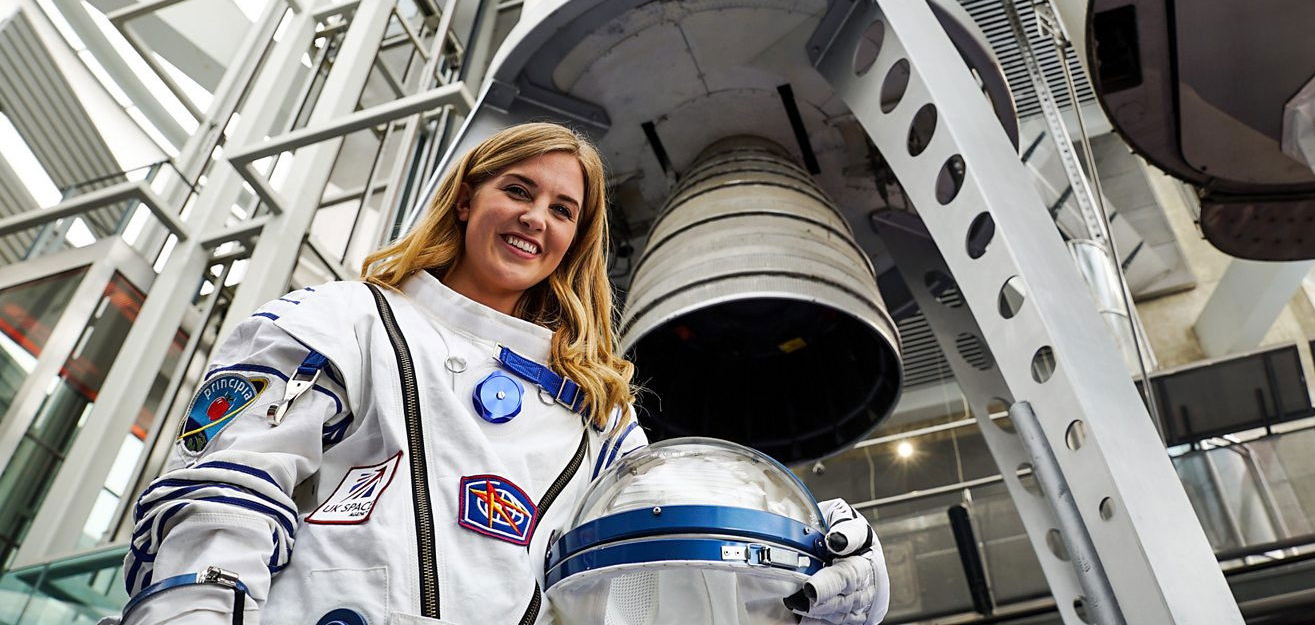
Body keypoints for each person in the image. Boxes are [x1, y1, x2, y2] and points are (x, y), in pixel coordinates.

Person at [112, 122, 888, 625]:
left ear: (574, 240)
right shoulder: (342, 319)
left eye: (562, 210)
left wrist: (806, 577)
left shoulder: (600, 412)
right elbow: (224, 497)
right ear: (464, 201)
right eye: (518, 190)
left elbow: (658, 573)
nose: (535, 218)